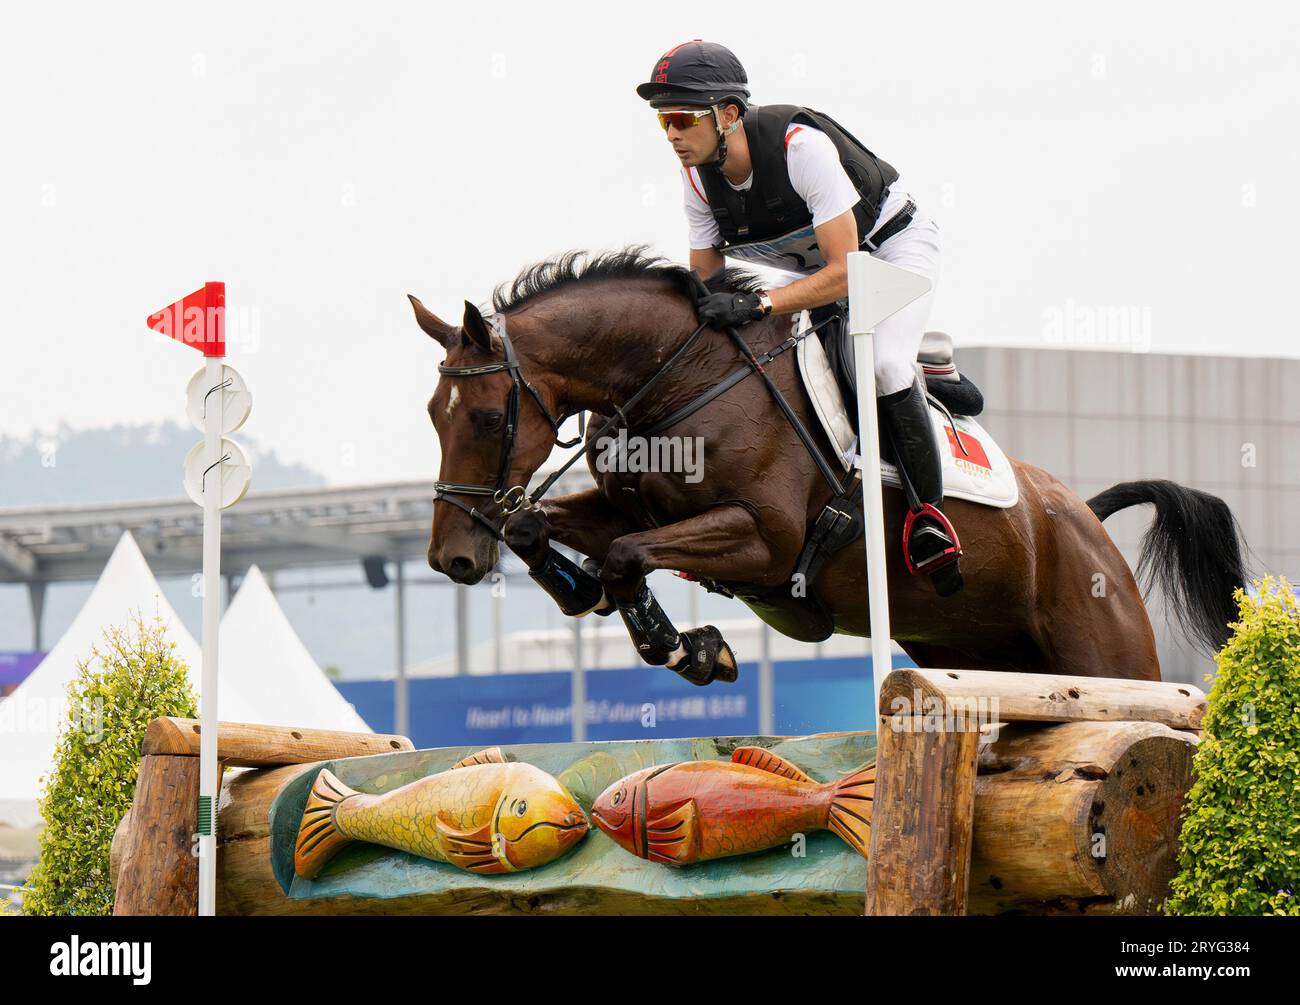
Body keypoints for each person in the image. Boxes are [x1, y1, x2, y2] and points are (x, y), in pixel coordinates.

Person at [637, 40, 962, 596]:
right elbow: (711, 288)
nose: (672, 134)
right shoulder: (695, 179)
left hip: (885, 254)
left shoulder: (799, 147)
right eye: (663, 120)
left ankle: (926, 516)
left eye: (683, 118)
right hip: (810, 272)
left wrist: (759, 303)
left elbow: (845, 272)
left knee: (883, 365)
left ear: (729, 114)